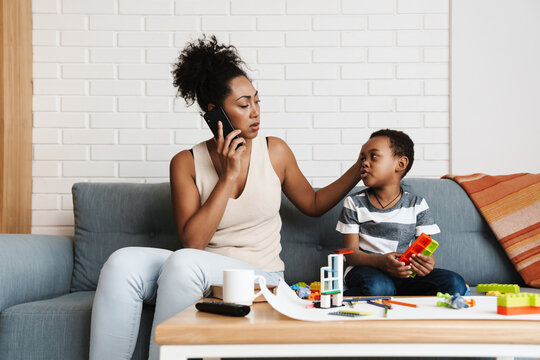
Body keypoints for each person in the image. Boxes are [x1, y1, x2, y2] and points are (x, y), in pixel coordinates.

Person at [89, 34, 364, 360]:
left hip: (261, 279)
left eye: (257, 101)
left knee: (183, 263)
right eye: (244, 105)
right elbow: (194, 241)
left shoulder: (274, 151)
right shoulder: (186, 163)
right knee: (123, 262)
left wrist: (357, 168)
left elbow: (313, 204)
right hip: (196, 272)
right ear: (214, 113)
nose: (255, 112)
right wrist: (228, 176)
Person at [336, 129, 467, 296]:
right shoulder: (354, 203)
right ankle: (361, 295)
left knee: (454, 283)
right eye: (363, 158)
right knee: (379, 287)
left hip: (404, 273)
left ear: (401, 164)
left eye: (373, 156)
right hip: (366, 270)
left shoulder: (417, 204)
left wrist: (426, 264)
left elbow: (427, 251)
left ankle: (393, 293)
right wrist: (381, 262)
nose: (364, 163)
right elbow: (351, 254)